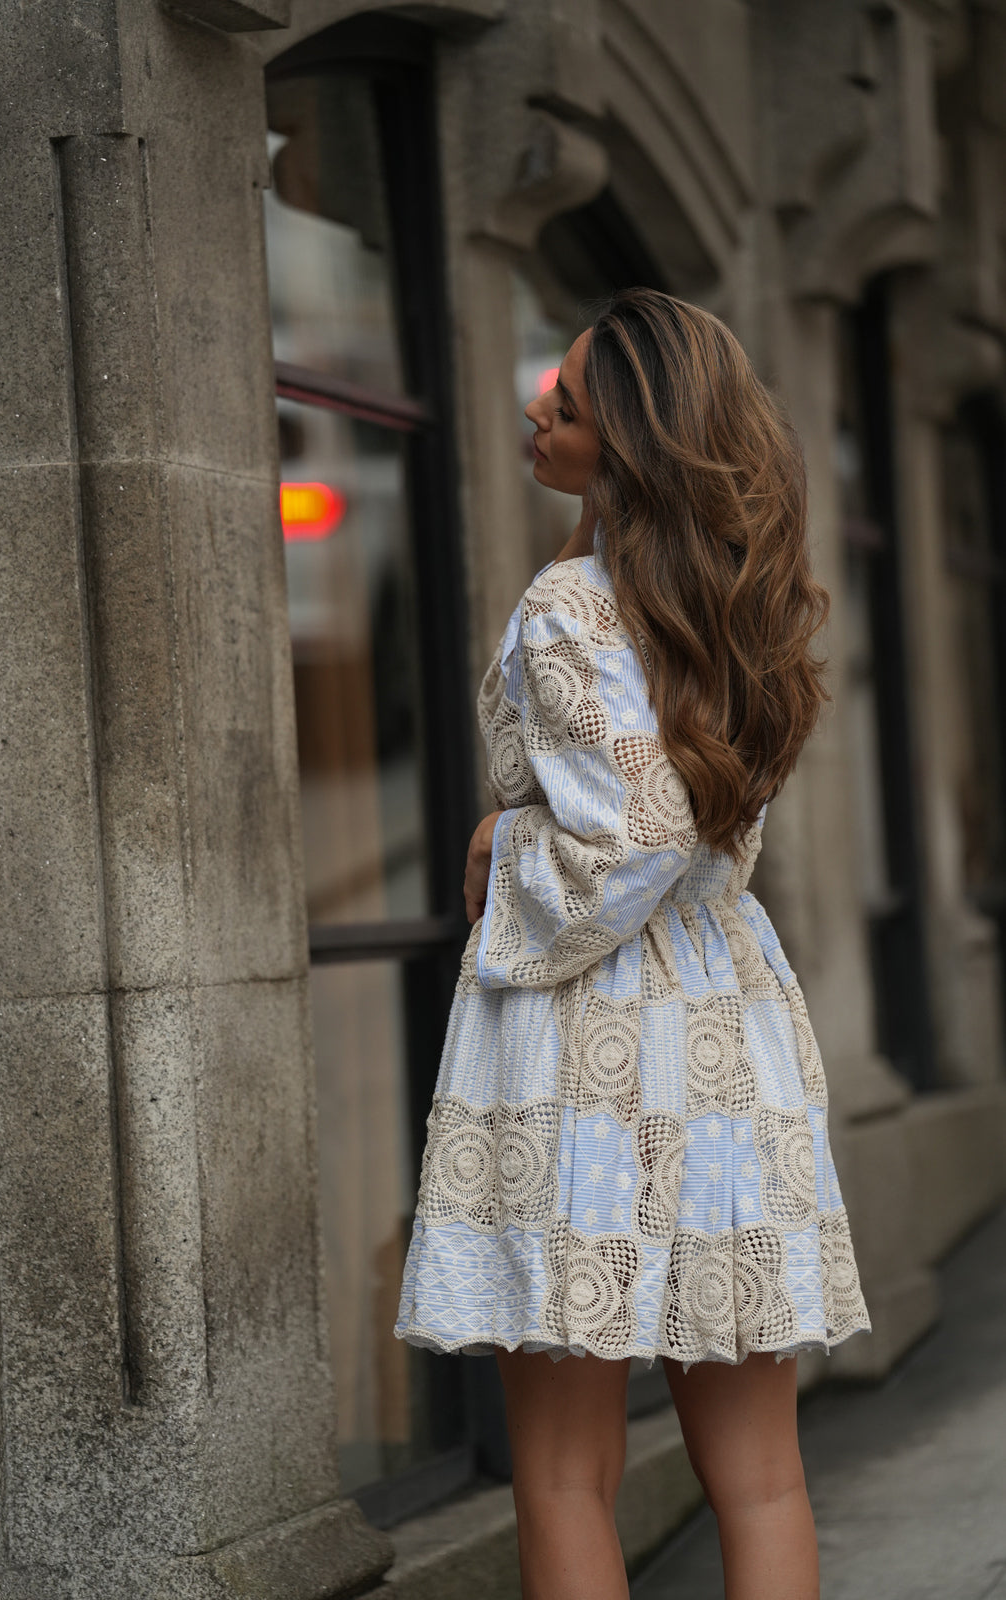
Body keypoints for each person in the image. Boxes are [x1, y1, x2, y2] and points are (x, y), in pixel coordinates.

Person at [394, 288, 870, 1600]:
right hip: (722, 1028)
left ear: (636, 447)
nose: (536, 414)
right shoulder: (736, 602)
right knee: (762, 1472)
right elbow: (694, 826)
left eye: (567, 405)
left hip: (587, 1050)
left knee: (562, 1474)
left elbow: (639, 832)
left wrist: (514, 848)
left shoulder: (570, 605)